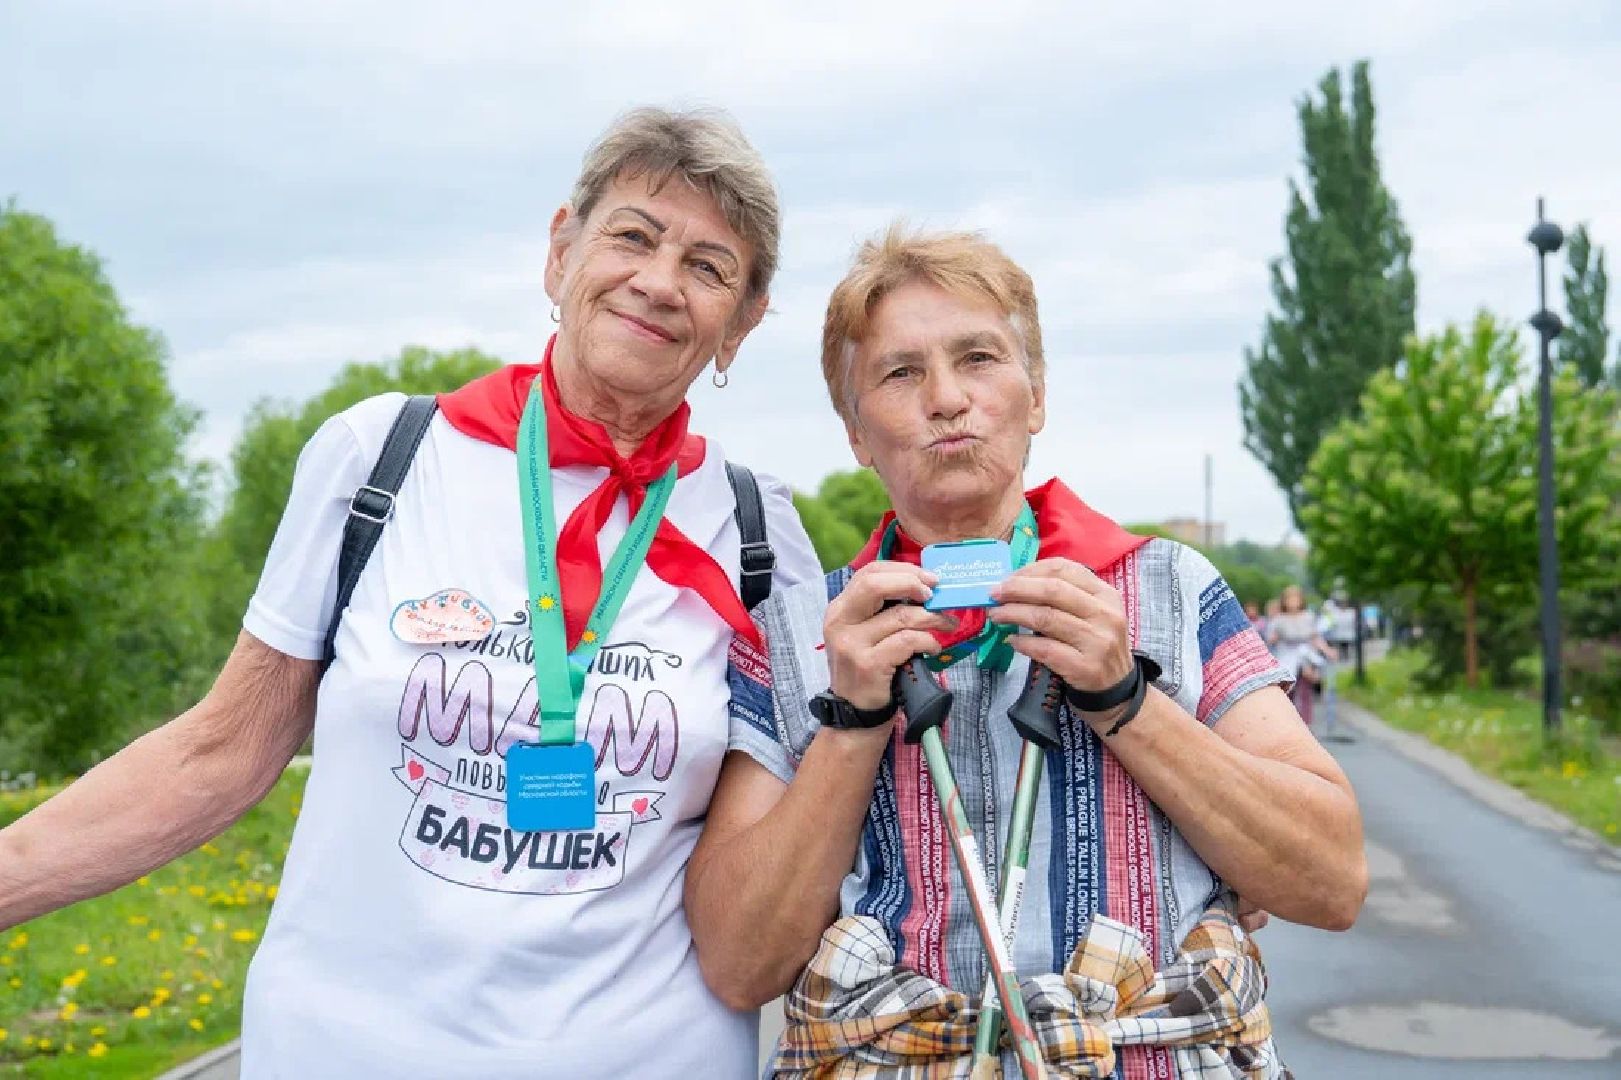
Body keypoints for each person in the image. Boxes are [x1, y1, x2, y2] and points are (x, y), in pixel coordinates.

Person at [0, 107, 823, 1079]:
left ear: (742, 322)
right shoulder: (379, 459)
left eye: (708, 266)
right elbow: (221, 752)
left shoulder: (759, 533)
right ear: (561, 252)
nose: (659, 281)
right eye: (633, 236)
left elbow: (798, 839)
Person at [685, 228, 1367, 1077]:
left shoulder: (1169, 587)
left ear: (1034, 397)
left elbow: (1331, 882)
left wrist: (1126, 700)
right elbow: (739, 965)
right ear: (855, 432)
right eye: (899, 373)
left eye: (977, 358)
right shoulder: (793, 634)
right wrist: (851, 720)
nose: (945, 398)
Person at [1266, 584, 1336, 730]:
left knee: (1305, 691)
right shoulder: (1279, 619)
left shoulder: (1308, 617)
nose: (1293, 602)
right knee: (1288, 691)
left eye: (1296, 599)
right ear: (1284, 601)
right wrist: (1272, 639)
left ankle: (1306, 725)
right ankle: (1288, 724)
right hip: (1286, 656)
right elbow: (1271, 639)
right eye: (1289, 599)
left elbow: (1315, 638)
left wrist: (1327, 650)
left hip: (1305, 657)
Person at [1317, 590, 1360, 742]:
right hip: (1329, 652)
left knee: (1332, 688)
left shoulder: (1349, 614)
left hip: (1342, 650)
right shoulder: (1329, 614)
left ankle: (1331, 722)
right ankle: (1329, 723)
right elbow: (1320, 632)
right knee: (1329, 688)